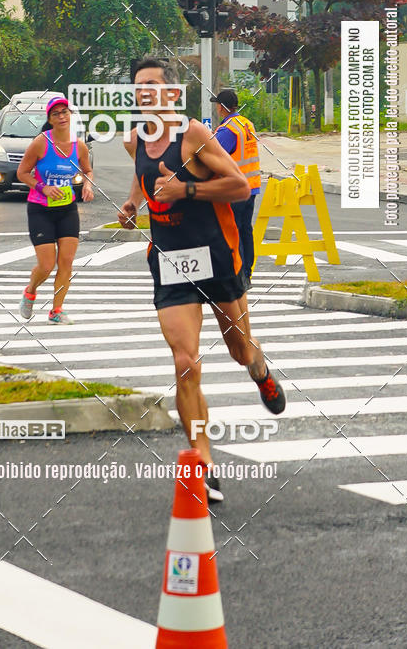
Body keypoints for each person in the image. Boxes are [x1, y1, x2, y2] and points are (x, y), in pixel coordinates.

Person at [118, 57, 285, 504]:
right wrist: (134, 205)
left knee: (239, 350)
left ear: (172, 93)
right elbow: (144, 178)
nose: (145, 92)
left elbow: (238, 186)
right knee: (185, 363)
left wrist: (186, 190)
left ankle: (260, 368)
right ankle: (205, 463)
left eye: (153, 84)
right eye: (139, 86)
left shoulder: (194, 134)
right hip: (171, 260)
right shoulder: (136, 139)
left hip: (215, 254)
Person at [17, 95, 94, 324]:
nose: (61, 117)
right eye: (56, 114)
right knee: (47, 264)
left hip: (67, 209)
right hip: (40, 210)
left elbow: (88, 170)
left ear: (70, 116)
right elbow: (22, 173)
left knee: (67, 262)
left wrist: (87, 185)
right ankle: (30, 290)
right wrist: (43, 187)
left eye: (64, 112)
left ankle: (56, 310)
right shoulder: (41, 143)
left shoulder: (79, 146)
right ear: (50, 119)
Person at [214, 89, 261, 285]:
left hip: (235, 189)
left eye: (217, 104)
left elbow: (212, 153)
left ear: (221, 107)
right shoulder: (246, 124)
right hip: (251, 187)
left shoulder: (227, 130)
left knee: (234, 231)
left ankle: (239, 275)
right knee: (245, 230)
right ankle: (247, 273)